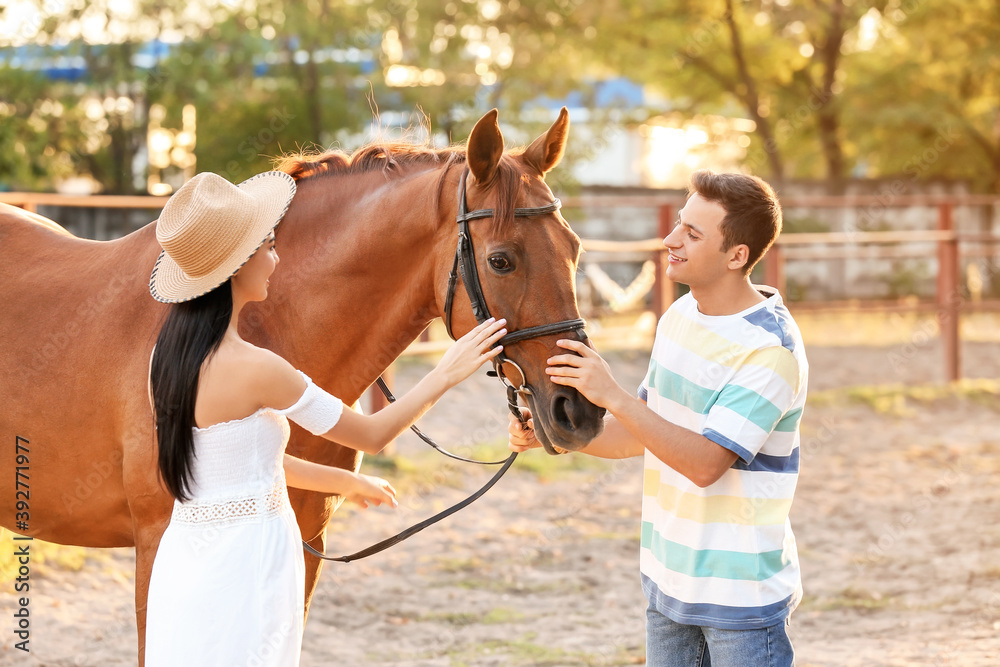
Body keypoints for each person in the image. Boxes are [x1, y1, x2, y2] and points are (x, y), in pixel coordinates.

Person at [144, 171, 507, 666]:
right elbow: (373, 434)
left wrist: (345, 482)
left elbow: (240, 464)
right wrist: (446, 371)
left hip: (185, 562)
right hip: (247, 561)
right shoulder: (259, 370)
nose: (276, 259)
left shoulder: (164, 358)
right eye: (268, 246)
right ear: (235, 266)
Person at [509, 170, 807, 667]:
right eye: (678, 225)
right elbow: (642, 434)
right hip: (667, 582)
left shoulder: (769, 349)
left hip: (740, 602)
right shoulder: (680, 316)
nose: (671, 240)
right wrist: (554, 437)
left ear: (737, 256)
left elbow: (707, 463)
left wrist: (613, 395)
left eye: (693, 234)